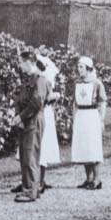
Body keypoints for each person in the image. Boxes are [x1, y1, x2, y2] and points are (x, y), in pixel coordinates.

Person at [11, 50, 48, 203]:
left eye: (21, 62)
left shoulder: (39, 79)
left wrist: (20, 116)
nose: (20, 66)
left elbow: (36, 103)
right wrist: (19, 116)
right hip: (27, 119)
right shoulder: (29, 79)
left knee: (30, 155)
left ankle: (30, 191)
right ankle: (31, 188)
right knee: (25, 155)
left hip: (33, 119)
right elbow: (20, 99)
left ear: (28, 62)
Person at [71, 56, 106, 190]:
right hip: (81, 116)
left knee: (93, 147)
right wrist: (74, 119)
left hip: (92, 116)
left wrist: (101, 119)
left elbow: (102, 102)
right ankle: (89, 178)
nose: (79, 69)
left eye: (81, 67)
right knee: (84, 146)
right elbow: (75, 103)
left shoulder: (97, 83)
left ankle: (97, 179)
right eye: (78, 67)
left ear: (88, 68)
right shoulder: (77, 83)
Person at [37, 55, 61, 192]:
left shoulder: (46, 81)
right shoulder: (34, 80)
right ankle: (29, 180)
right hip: (39, 112)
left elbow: (46, 98)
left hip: (44, 113)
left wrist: (52, 97)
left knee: (43, 146)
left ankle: (40, 181)